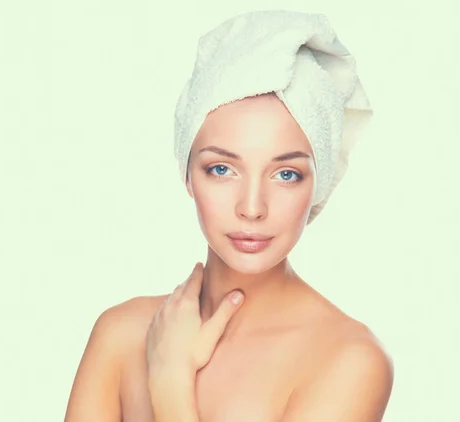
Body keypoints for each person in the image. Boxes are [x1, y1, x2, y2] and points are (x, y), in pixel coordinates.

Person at [64, 10, 394, 422]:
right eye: (222, 169)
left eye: (286, 174)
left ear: (318, 185)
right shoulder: (119, 334)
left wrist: (170, 383)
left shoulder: (348, 359)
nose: (252, 207)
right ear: (187, 172)